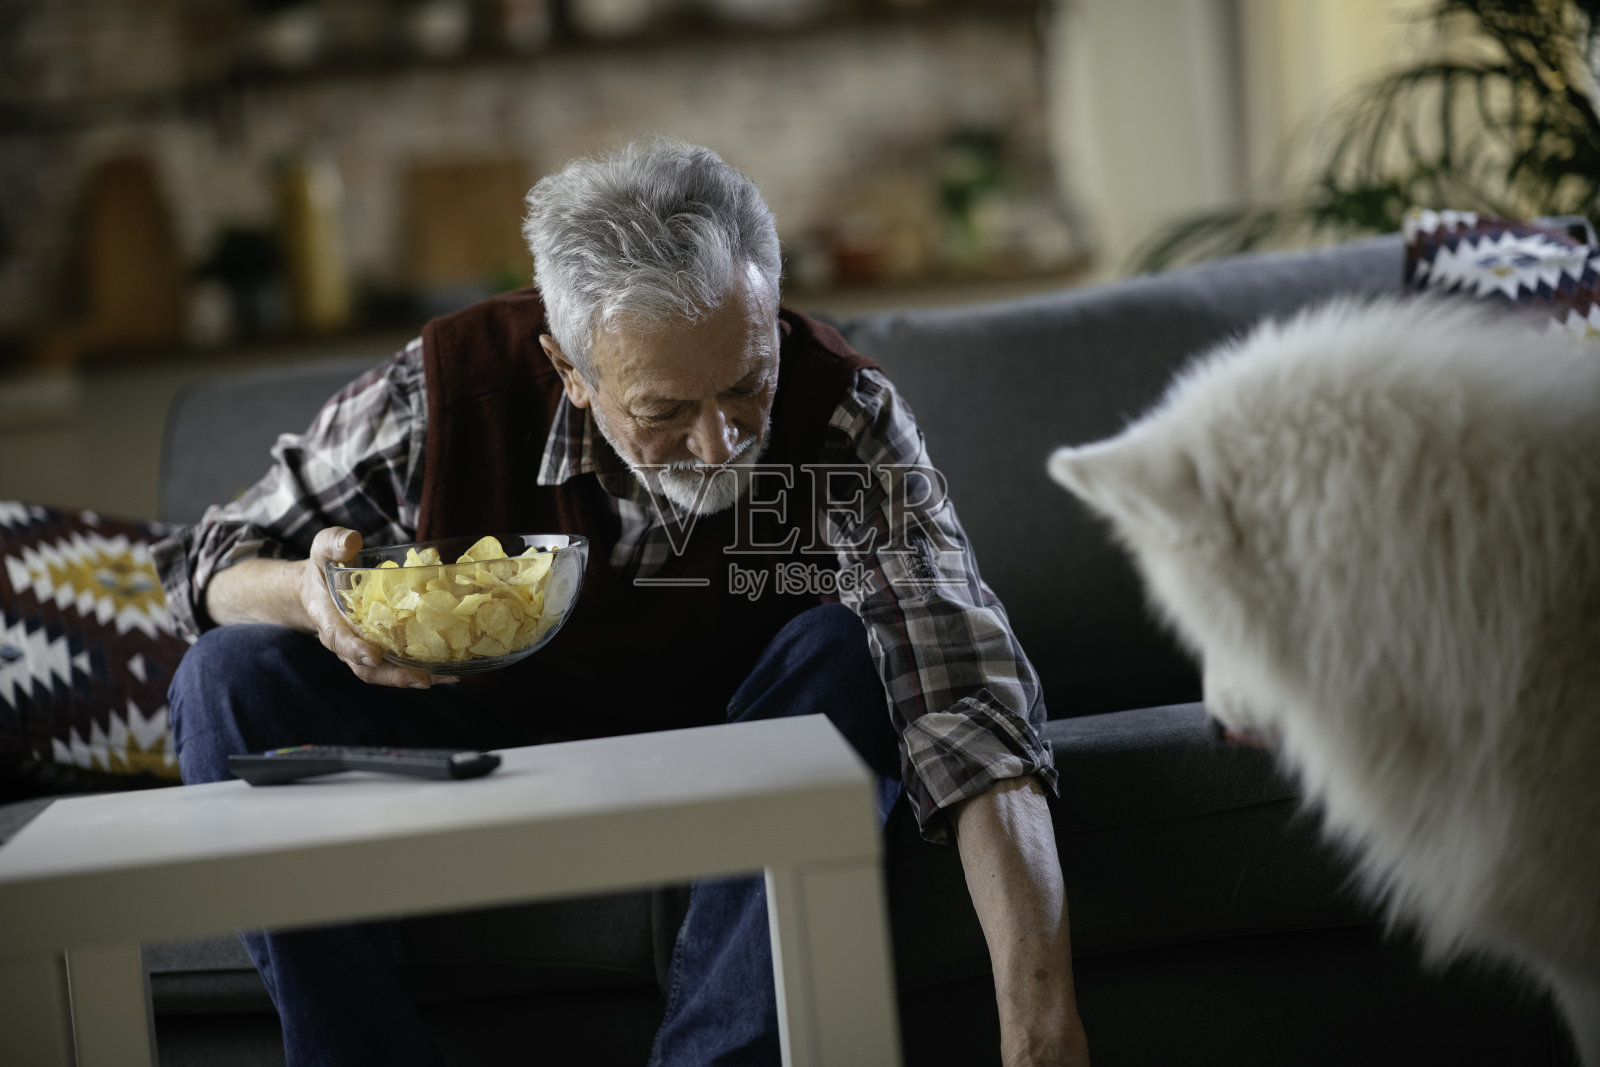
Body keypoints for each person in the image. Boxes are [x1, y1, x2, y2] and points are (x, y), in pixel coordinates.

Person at [155, 138, 1091, 1066]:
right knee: (227, 674)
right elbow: (198, 562)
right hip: (473, 739)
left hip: (737, 745)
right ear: (570, 369)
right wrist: (311, 596)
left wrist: (1041, 1029)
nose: (721, 443)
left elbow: (965, 698)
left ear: (768, 312)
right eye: (665, 411)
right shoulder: (444, 392)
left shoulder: (840, 413)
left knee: (849, 651)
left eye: (746, 385)